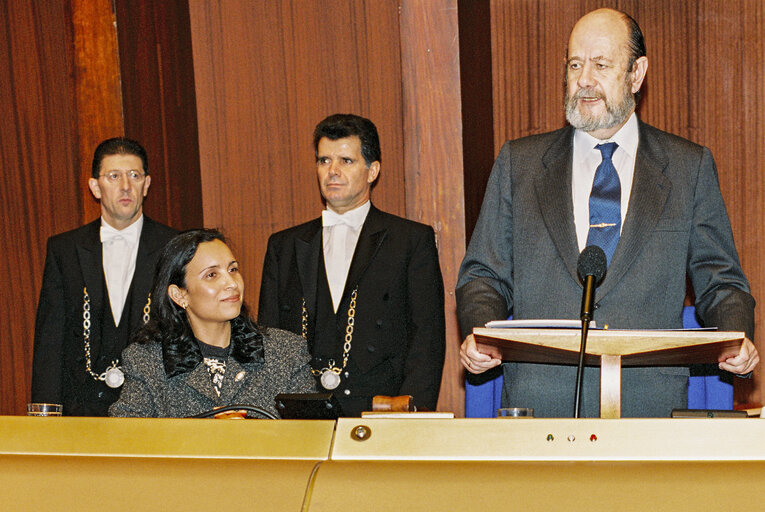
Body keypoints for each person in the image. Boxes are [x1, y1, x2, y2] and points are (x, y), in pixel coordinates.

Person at [457, 8, 759, 417]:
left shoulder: (688, 168)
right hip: (539, 404)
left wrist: (737, 337)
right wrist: (481, 332)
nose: (584, 79)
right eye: (575, 64)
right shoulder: (520, 164)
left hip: (649, 407)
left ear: (636, 74)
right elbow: (483, 276)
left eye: (601, 64)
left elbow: (720, 280)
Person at [258, 113, 445, 416]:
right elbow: (270, 340)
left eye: (346, 161)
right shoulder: (284, 245)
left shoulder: (410, 241)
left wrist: (414, 417)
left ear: (373, 171)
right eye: (323, 161)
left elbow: (427, 340)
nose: (332, 171)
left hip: (384, 414)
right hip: (302, 416)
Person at [32, 137, 177, 416]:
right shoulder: (65, 249)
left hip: (155, 411)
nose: (125, 186)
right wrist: (45, 415)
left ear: (146, 184)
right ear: (95, 187)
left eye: (134, 175)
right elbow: (50, 340)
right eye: (114, 176)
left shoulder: (173, 246)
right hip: (81, 410)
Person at [110, 229, 315, 418]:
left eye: (233, 270)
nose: (232, 283)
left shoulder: (286, 352)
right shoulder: (147, 361)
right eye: (212, 275)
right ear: (179, 294)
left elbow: (311, 439)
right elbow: (125, 439)